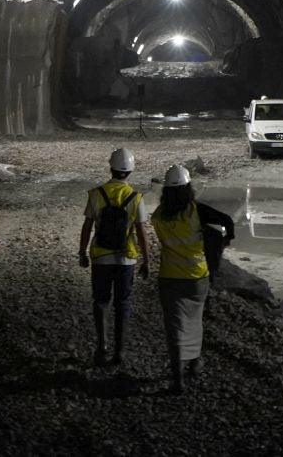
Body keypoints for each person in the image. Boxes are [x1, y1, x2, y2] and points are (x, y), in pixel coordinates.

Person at [151, 164, 233, 393]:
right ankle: (195, 364)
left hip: (170, 277)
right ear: (189, 189)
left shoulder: (158, 216)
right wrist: (222, 243)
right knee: (195, 322)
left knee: (175, 327)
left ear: (166, 191)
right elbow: (226, 221)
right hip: (198, 277)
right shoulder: (197, 211)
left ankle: (178, 379)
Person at [78, 147, 151, 367]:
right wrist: (146, 260)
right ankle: (120, 351)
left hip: (100, 257)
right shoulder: (135, 198)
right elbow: (141, 233)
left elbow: (87, 226)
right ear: (130, 171)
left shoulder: (95, 194)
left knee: (100, 302)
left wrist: (82, 252)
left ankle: (102, 347)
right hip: (125, 259)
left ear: (110, 167)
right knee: (123, 304)